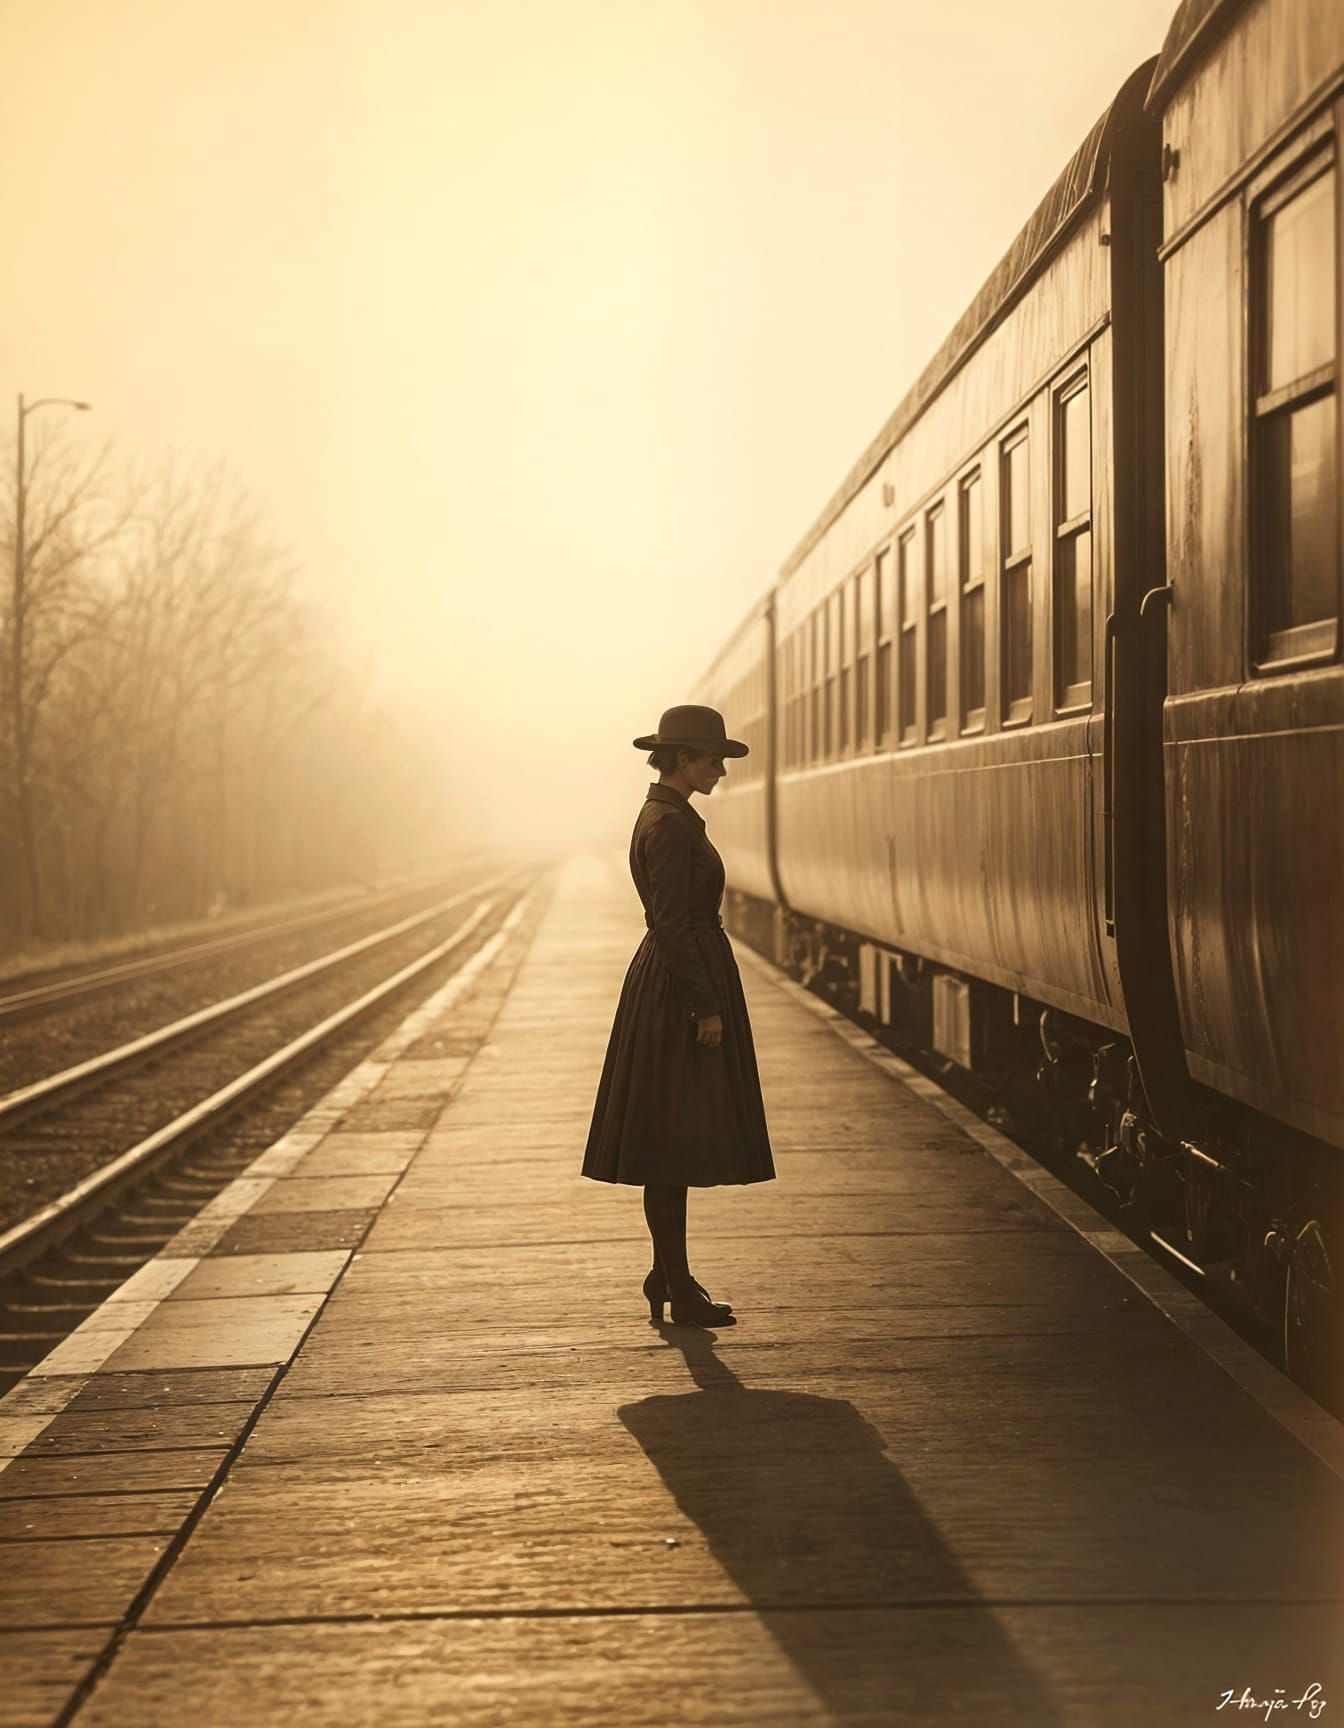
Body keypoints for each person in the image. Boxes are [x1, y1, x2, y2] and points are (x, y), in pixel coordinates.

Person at [581, 703, 776, 1326]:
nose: (721, 769)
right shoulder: (668, 825)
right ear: (684, 759)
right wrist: (704, 1005)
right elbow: (667, 921)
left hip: (678, 977)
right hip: (677, 986)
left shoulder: (671, 816)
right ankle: (675, 1282)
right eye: (713, 759)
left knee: (672, 1139)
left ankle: (668, 1275)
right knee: (670, 1143)